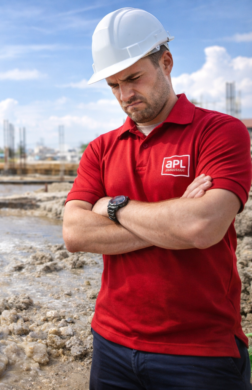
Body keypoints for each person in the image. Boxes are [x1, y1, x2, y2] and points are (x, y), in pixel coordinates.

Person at [62, 7, 252, 390]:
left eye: (133, 78)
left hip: (201, 350)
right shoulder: (101, 148)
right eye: (113, 85)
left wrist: (112, 207)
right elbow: (75, 234)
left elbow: (202, 226)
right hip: (111, 342)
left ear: (165, 62)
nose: (124, 94)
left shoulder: (219, 132)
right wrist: (175, 220)